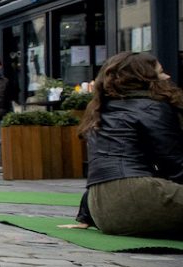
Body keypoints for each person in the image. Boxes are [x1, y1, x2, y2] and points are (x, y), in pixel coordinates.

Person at [75, 52, 183, 237]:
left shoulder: (101, 109)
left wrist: (85, 215)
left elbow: (101, 169)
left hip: (102, 210)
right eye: (161, 72)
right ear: (145, 78)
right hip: (137, 199)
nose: (167, 77)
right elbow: (173, 163)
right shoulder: (152, 107)